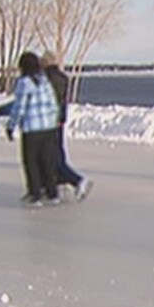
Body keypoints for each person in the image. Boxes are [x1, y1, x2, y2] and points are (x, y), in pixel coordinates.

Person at [5, 51, 63, 206]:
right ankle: (52, 193)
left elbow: (19, 107)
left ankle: (35, 193)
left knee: (31, 162)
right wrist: (53, 121)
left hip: (32, 129)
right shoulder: (45, 80)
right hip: (48, 128)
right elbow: (53, 103)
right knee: (47, 161)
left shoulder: (24, 82)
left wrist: (11, 126)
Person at [43, 53, 92, 200]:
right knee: (58, 151)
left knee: (51, 155)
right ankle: (57, 182)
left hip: (48, 121)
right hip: (60, 119)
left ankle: (76, 180)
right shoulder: (63, 77)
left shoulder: (45, 79)